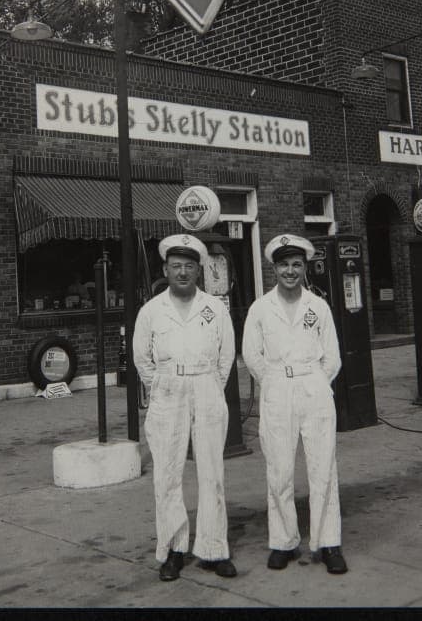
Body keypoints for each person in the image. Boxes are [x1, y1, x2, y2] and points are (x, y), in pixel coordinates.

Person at [133, 233, 238, 581]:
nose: (182, 273)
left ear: (199, 270)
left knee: (212, 471)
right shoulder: (151, 311)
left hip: (207, 384)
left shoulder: (215, 309)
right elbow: (141, 360)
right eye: (176, 266)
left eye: (189, 266)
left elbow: (226, 359)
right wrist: (164, 385)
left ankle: (214, 548)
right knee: (167, 473)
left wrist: (206, 384)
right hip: (168, 389)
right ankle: (173, 550)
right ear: (165, 268)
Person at [243, 234, 348, 575]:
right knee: (279, 469)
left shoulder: (317, 307)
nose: (290, 271)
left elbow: (332, 356)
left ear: (305, 268)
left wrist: (315, 381)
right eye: (284, 265)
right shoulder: (260, 308)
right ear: (274, 268)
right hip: (277, 389)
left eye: (296, 265)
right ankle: (283, 542)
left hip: (313, 387)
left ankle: (328, 541)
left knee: (323, 468)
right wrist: (273, 382)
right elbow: (252, 354)